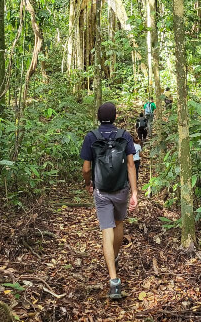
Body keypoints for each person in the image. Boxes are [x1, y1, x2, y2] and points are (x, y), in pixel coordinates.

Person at [81, 102, 138, 299]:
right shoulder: (125, 136)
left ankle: (114, 282)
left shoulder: (91, 137)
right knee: (119, 223)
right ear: (115, 117)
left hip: (102, 191)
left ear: (98, 117)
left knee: (107, 229)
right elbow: (131, 166)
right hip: (121, 189)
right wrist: (134, 192)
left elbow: (86, 168)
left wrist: (89, 184)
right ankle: (115, 257)